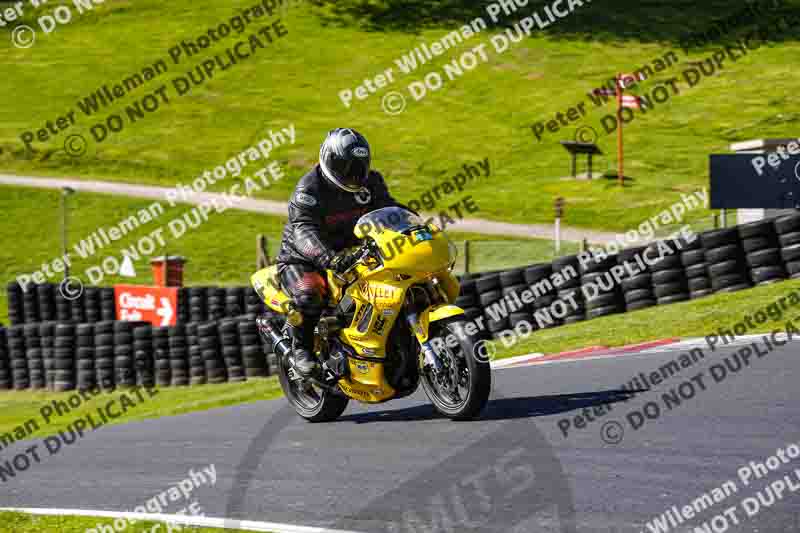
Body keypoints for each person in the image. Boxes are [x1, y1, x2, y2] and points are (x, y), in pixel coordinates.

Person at [275, 128, 399, 376]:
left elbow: (389, 209)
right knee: (310, 294)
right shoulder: (309, 191)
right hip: (303, 259)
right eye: (345, 167)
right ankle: (302, 350)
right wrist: (329, 258)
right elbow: (304, 231)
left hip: (351, 253)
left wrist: (415, 225)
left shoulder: (371, 183)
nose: (352, 175)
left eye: (358, 167)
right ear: (329, 160)